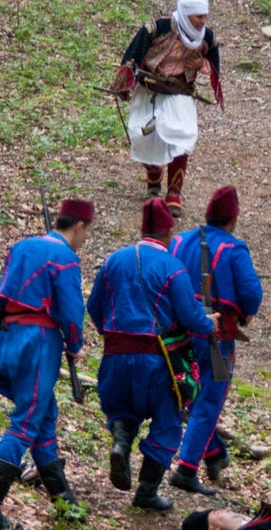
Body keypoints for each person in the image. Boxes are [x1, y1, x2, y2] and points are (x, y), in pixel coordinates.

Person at [86, 199, 219, 512]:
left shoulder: (113, 260)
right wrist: (210, 324)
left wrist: (113, 335)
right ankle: (146, 493)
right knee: (167, 422)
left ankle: (121, 444)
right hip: (159, 363)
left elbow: (93, 306)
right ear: (169, 232)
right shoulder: (173, 268)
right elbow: (191, 318)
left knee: (122, 408)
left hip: (115, 357)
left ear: (141, 228)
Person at [0, 200, 94, 530]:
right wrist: (75, 344)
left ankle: (65, 504)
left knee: (42, 418)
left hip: (8, 340)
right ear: (79, 226)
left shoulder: (21, 247)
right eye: (86, 232)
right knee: (25, 424)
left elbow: (0, 296)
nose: (84, 239)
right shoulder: (65, 257)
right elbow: (71, 310)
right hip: (37, 344)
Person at [166, 186, 263, 494]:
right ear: (233, 219)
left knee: (188, 397)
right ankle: (186, 468)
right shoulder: (234, 249)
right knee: (207, 400)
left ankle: (214, 452)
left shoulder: (179, 240)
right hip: (214, 336)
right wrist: (246, 314)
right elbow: (251, 294)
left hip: (175, 332)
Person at [111, 0, 224, 215]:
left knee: (182, 137)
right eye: (198, 16)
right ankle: (154, 174)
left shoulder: (207, 38)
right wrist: (124, 83)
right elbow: (133, 55)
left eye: (205, 16)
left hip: (180, 92)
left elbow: (213, 63)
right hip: (150, 90)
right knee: (143, 136)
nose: (203, 21)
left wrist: (200, 64)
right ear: (186, 14)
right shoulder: (157, 29)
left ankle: (174, 194)